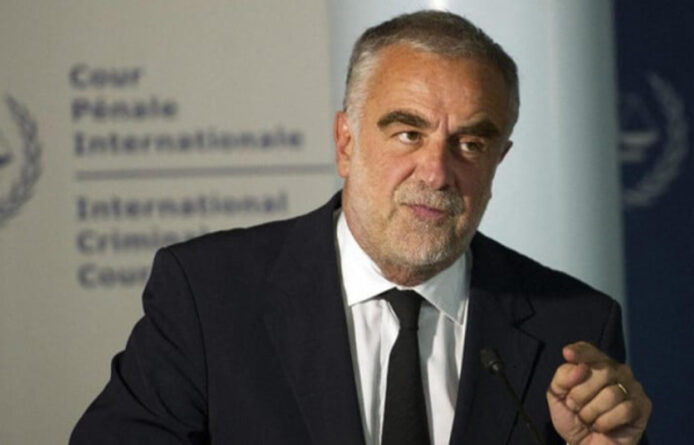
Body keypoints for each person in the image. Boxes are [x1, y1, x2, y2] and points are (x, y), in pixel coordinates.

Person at [71, 10, 651, 445]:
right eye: (408, 134)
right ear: (345, 143)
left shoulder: (572, 326)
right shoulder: (208, 295)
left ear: (499, 160)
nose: (437, 172)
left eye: (471, 144)